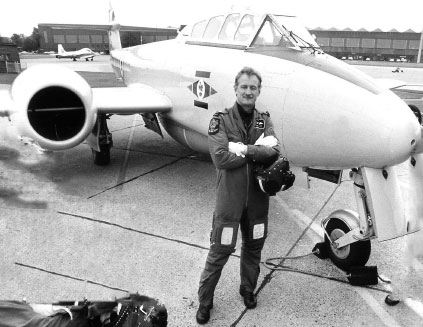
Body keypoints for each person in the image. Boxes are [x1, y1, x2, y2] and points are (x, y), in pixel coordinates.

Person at [196, 67, 281, 324]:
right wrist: (258, 150)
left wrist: (242, 149)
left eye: (253, 87)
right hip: (229, 201)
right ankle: (205, 302)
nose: (248, 91)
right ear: (235, 89)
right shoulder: (220, 120)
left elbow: (274, 151)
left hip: (257, 200)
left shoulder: (263, 120)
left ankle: (248, 289)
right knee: (220, 251)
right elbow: (220, 158)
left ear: (258, 91)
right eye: (243, 87)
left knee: (254, 248)